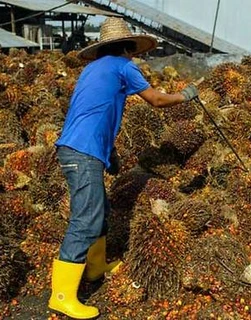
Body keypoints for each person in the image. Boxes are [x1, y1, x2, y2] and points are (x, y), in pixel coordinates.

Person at [49, 17, 199, 319]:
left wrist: (111, 151)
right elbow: (155, 100)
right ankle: (62, 295)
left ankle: (95, 268)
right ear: (129, 48)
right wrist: (184, 96)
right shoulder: (123, 66)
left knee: (99, 211)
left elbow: (95, 110)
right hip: (82, 152)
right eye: (134, 51)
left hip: (79, 148)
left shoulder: (93, 69)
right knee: (85, 220)